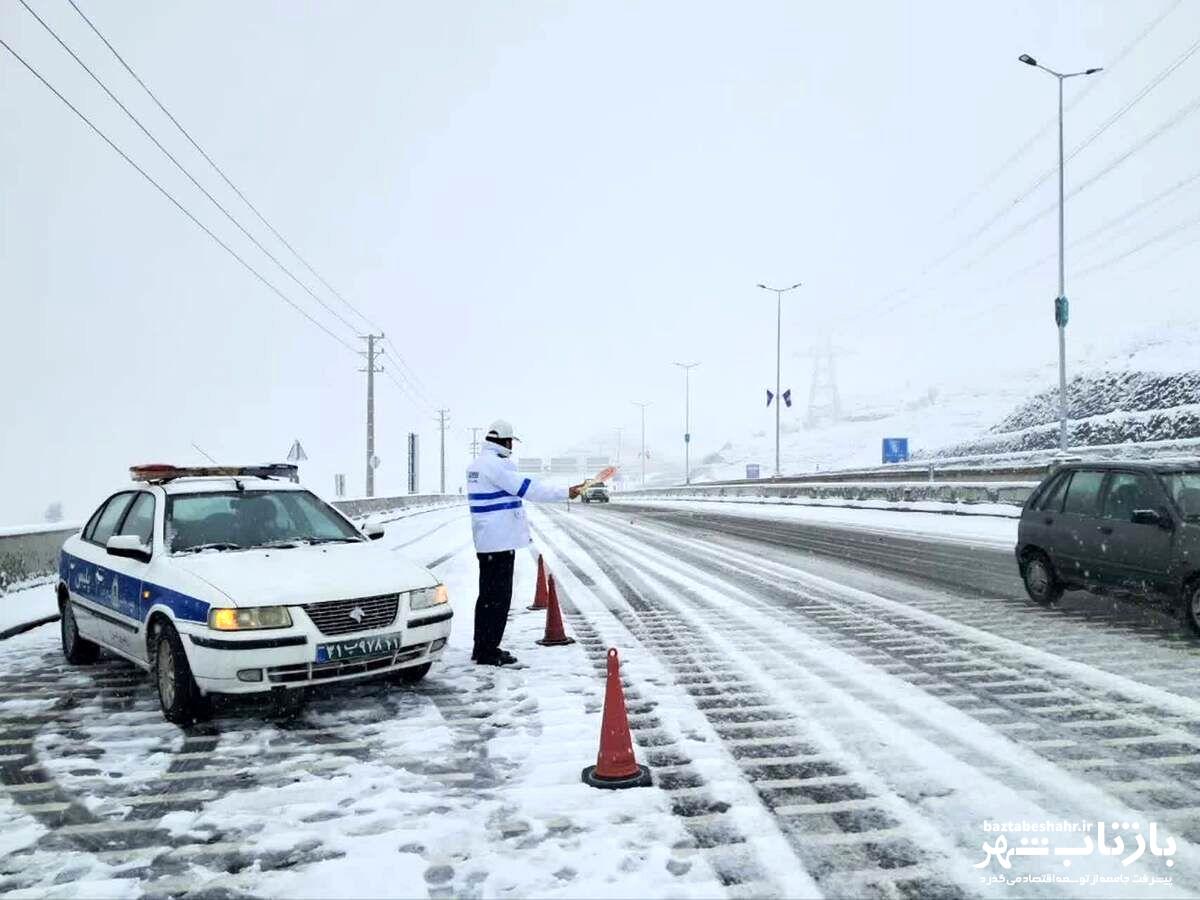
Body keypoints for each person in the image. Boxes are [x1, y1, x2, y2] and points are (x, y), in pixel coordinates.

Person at [466, 419, 583, 666]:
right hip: (499, 543)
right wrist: (565, 492)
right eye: (511, 442)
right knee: (498, 599)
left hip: (487, 542)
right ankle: (489, 651)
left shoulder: (478, 465)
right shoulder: (496, 466)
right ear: (505, 441)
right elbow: (530, 489)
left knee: (486, 598)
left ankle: (481, 646)